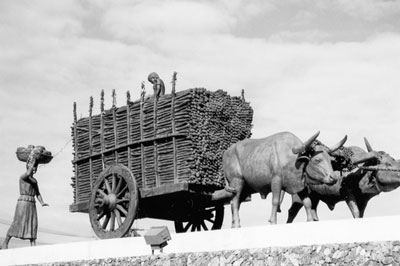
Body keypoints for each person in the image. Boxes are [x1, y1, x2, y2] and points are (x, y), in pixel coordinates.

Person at [1, 146, 50, 249]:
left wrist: (42, 202)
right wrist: (33, 160)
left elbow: (38, 193)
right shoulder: (23, 177)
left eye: (35, 167)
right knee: (17, 221)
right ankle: (6, 242)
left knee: (33, 223)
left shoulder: (34, 181)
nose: (34, 168)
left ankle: (33, 244)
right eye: (32, 166)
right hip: (23, 202)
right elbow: (28, 173)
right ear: (28, 165)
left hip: (32, 203)